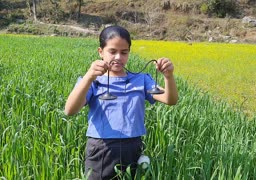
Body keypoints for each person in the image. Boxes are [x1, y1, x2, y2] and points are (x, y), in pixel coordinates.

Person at [64, 25, 178, 179]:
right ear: (100, 52)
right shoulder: (93, 81)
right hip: (101, 148)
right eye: (112, 51)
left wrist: (168, 76)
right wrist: (89, 76)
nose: (118, 57)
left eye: (124, 52)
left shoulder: (141, 79)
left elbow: (170, 100)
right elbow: (70, 110)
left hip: (133, 146)